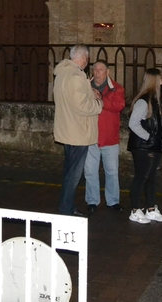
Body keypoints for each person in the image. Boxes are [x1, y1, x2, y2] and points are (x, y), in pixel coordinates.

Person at [53, 44, 103, 216]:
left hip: (68, 129)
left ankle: (67, 205)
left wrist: (89, 92)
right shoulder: (75, 76)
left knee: (69, 171)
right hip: (77, 132)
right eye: (87, 59)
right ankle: (66, 209)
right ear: (83, 58)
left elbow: (72, 98)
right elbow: (81, 105)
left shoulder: (63, 74)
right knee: (73, 175)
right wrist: (98, 104)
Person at [127, 68, 162, 224]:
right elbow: (133, 123)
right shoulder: (143, 101)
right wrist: (149, 137)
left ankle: (151, 208)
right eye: (161, 79)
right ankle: (135, 210)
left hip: (153, 146)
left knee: (152, 178)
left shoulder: (156, 101)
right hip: (143, 147)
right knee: (141, 177)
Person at [84, 60, 126, 212]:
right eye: (95, 69)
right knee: (90, 171)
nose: (97, 72)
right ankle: (92, 201)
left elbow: (119, 105)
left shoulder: (116, 88)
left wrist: (101, 98)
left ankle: (113, 201)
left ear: (107, 72)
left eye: (101, 70)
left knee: (112, 171)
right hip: (90, 136)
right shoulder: (84, 87)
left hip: (109, 138)